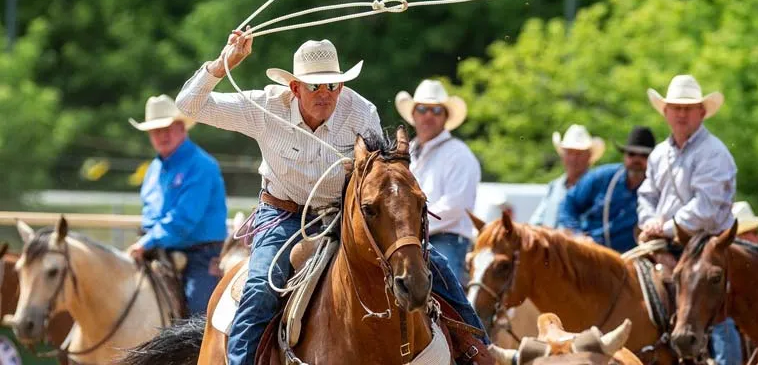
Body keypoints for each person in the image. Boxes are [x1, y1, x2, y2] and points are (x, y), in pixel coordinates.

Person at [174, 32, 490, 364]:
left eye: (333, 85)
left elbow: (377, 175)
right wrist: (222, 65)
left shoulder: (361, 112)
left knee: (431, 265)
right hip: (283, 215)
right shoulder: (265, 107)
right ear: (295, 87)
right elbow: (188, 105)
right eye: (314, 86)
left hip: (343, 214)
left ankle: (478, 349)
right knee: (260, 288)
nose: (325, 93)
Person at [636, 74, 741, 365]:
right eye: (676, 108)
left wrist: (665, 227)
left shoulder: (714, 153)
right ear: (666, 112)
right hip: (662, 240)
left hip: (708, 244)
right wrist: (649, 222)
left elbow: (705, 207)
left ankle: (726, 359)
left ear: (701, 112)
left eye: (688, 108)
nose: (681, 114)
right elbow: (646, 195)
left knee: (711, 296)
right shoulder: (659, 154)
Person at [126, 94, 228, 316]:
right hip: (158, 248)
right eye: (155, 131)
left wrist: (148, 241)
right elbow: (150, 211)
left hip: (200, 254)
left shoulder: (202, 165)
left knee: (198, 315)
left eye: (167, 128)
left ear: (182, 128)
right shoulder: (154, 169)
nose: (161, 135)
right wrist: (147, 240)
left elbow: (185, 218)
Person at [395, 79, 481, 285]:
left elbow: (456, 206)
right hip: (412, 237)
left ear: (445, 117)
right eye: (422, 109)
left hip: (446, 238)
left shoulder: (459, 154)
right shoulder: (409, 151)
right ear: (414, 114)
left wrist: (412, 223)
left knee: (445, 291)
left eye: (436, 110)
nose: (428, 115)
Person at [558, 126, 656, 253]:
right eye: (631, 154)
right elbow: (568, 204)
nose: (636, 160)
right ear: (624, 156)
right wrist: (578, 235)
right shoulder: (602, 177)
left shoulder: (656, 187)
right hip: (590, 251)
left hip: (631, 257)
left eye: (644, 155)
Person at [528, 124, 605, 227]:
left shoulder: (597, 189)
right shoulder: (554, 186)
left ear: (589, 156)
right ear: (563, 155)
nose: (573, 158)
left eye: (579, 153)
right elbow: (536, 222)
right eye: (570, 152)